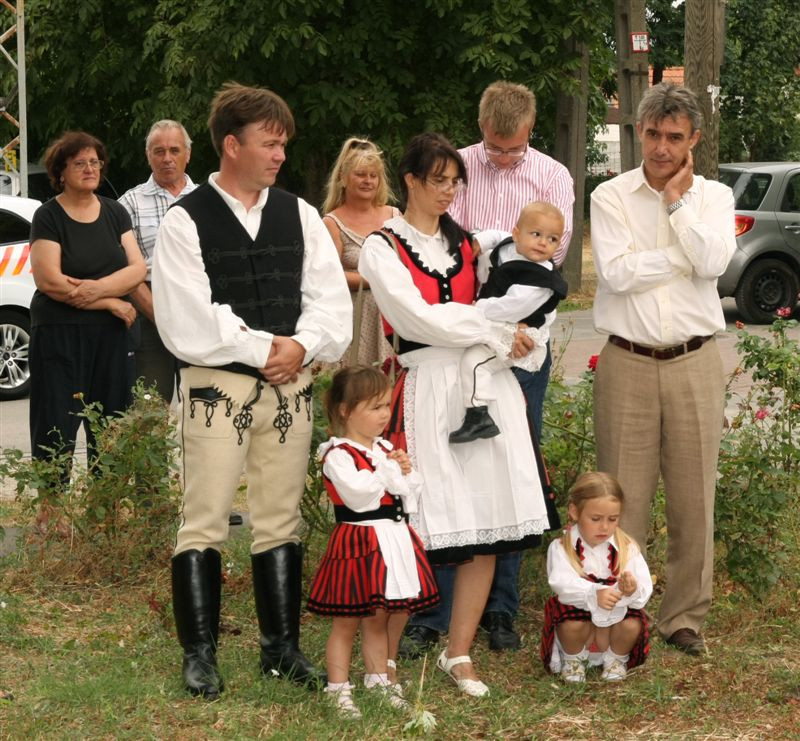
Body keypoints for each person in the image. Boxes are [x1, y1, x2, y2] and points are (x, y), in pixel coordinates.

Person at [151, 82, 351, 699]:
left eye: (284, 144)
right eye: (270, 143)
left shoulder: (301, 214)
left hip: (289, 387)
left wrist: (303, 345)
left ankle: (280, 650)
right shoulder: (185, 221)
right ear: (232, 146)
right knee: (205, 517)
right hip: (218, 389)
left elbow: (330, 302)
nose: (280, 155)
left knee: (280, 519)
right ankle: (200, 655)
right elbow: (189, 318)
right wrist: (273, 348)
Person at [359, 132, 557, 696]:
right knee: (415, 525)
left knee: (487, 522)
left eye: (455, 181)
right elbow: (417, 319)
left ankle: (459, 652)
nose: (448, 191)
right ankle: (386, 662)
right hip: (425, 388)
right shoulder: (383, 247)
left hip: (488, 386)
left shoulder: (474, 245)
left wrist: (519, 340)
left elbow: (523, 304)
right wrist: (495, 329)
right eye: (438, 180)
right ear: (412, 181)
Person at [405, 80, 575, 655]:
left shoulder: (553, 176)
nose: (500, 159)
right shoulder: (456, 171)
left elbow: (550, 263)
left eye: (512, 150)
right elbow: (453, 251)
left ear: (530, 131)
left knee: (511, 471)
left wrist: (521, 332)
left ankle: (500, 609)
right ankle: (433, 613)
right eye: (493, 148)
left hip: (522, 348)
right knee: (448, 469)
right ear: (480, 129)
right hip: (460, 343)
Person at [590, 82, 736, 656]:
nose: (661, 147)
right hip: (627, 359)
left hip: (695, 360)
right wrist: (683, 259)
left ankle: (684, 618)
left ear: (694, 139)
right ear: (638, 132)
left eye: (675, 137)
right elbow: (617, 274)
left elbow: (716, 262)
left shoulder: (714, 197)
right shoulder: (611, 196)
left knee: (694, 494)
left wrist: (676, 204)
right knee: (621, 494)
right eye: (653, 134)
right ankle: (624, 610)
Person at [307, 366, 439, 719]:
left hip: (392, 539)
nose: (385, 415)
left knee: (378, 617)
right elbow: (358, 496)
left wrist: (405, 471)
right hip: (359, 542)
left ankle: (378, 680)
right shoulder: (338, 454)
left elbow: (408, 496)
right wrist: (386, 471)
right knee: (347, 620)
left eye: (386, 406)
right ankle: (338, 688)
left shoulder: (383, 448)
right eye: (375, 407)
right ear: (346, 411)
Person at [29, 131, 146, 513]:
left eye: (95, 162)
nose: (90, 168)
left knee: (112, 422)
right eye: (80, 163)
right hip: (60, 336)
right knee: (55, 421)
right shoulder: (48, 215)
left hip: (113, 338)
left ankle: (106, 508)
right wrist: (110, 300)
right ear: (60, 171)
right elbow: (49, 280)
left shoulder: (115, 212)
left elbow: (138, 268)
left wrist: (95, 292)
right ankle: (52, 513)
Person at [450, 201, 567, 443]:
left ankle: (478, 415)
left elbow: (510, 307)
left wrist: (475, 309)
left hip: (520, 337)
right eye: (536, 234)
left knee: (476, 363)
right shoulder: (511, 245)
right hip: (496, 326)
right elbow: (496, 235)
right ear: (517, 233)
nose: (543, 243)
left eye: (553, 239)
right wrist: (479, 242)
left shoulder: (540, 280)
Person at [540, 472, 652, 683]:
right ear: (574, 511)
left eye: (613, 519)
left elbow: (643, 589)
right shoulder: (562, 548)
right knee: (570, 623)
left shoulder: (627, 548)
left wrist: (630, 590)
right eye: (595, 519)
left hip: (613, 628)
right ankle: (574, 659)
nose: (604, 527)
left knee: (631, 624)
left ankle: (616, 658)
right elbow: (561, 584)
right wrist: (593, 593)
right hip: (581, 626)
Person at [118, 119, 196, 403]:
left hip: (199, 313)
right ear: (148, 155)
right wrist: (159, 315)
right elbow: (126, 269)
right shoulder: (129, 203)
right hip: (149, 313)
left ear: (188, 154)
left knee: (205, 407)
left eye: (174, 150)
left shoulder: (208, 200)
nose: (167, 158)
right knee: (149, 409)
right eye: (158, 151)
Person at [322, 138, 399, 368]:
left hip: (392, 315)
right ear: (343, 179)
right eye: (360, 175)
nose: (368, 181)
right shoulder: (332, 222)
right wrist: (373, 280)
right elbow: (328, 276)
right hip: (354, 318)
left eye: (373, 175)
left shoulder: (395, 216)